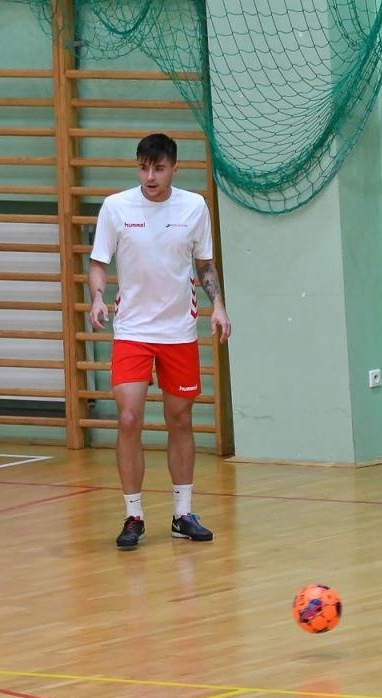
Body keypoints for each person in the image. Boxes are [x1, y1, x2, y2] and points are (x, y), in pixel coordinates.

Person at [87, 133, 230, 550]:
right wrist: (97, 297)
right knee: (129, 417)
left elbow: (204, 264)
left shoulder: (194, 207)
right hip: (131, 330)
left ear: (173, 168)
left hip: (178, 332)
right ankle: (133, 515)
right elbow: (98, 264)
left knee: (179, 419)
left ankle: (182, 514)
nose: (150, 176)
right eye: (143, 167)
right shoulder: (116, 207)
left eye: (159, 168)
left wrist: (218, 306)